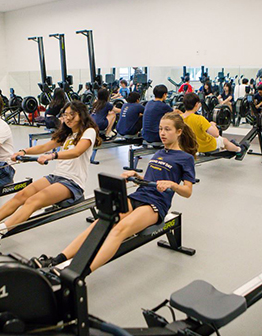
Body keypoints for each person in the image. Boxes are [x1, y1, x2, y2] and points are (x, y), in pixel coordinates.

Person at [32, 111, 197, 271]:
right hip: (138, 195)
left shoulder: (185, 158)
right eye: (161, 129)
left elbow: (187, 191)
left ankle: (78, 271)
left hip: (155, 204)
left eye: (167, 129)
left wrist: (173, 185)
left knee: (119, 230)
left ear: (179, 131)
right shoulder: (159, 152)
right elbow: (149, 179)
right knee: (101, 223)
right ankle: (58, 259)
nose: (162, 133)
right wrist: (136, 175)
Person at [0, 101, 101, 245]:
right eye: (65, 114)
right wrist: (23, 151)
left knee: (33, 201)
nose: (68, 118)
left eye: (72, 114)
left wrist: (52, 156)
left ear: (81, 115)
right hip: (56, 176)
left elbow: (77, 152)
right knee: (21, 195)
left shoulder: (88, 132)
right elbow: (44, 146)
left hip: (72, 182)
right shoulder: (67, 134)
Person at [181, 93, 247, 160]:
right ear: (196, 105)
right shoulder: (199, 119)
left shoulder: (179, 118)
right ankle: (239, 150)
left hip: (187, 146)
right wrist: (212, 125)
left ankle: (231, 145)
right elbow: (216, 134)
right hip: (203, 146)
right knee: (224, 141)